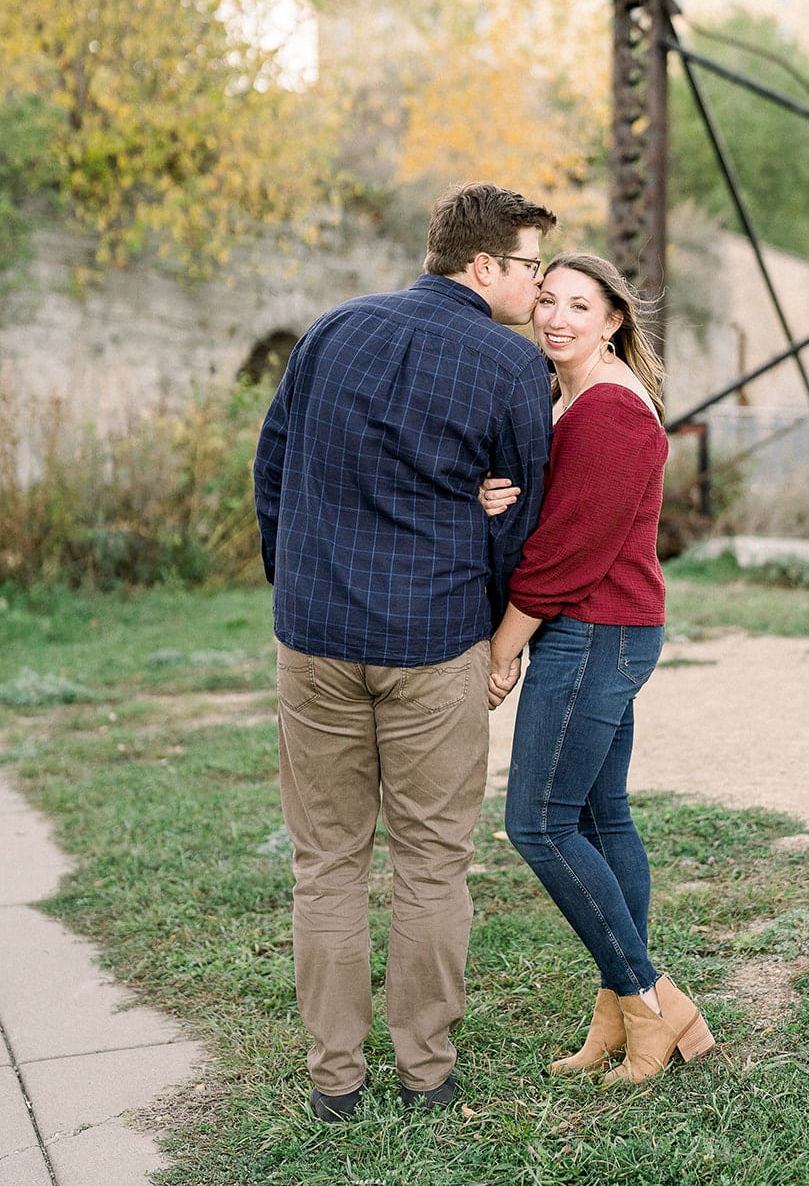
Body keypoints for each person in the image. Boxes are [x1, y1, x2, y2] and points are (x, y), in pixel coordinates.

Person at [253, 182, 556, 1119]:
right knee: (431, 862)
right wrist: (490, 595)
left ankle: (334, 1082)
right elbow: (527, 517)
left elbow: (272, 471)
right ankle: (426, 1074)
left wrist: (299, 584)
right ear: (483, 268)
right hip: (435, 643)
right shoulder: (508, 368)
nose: (540, 288)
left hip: (315, 639)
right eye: (531, 267)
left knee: (328, 863)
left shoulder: (332, 330)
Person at [481, 253, 716, 1088]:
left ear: (612, 319)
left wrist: (503, 647)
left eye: (579, 305)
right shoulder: (569, 400)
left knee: (540, 824)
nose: (556, 317)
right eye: (546, 299)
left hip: (594, 630)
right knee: (600, 816)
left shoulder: (606, 411)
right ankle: (618, 1014)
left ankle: (649, 999)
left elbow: (566, 555)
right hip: (604, 628)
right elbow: (556, 517)